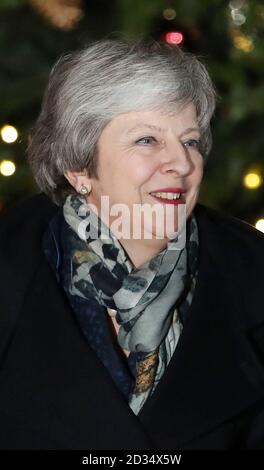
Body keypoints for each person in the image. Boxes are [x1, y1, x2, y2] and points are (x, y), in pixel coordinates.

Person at [0, 39, 264, 451]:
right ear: (79, 165)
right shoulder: (10, 266)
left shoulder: (253, 274)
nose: (182, 162)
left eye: (190, 141)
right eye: (147, 140)